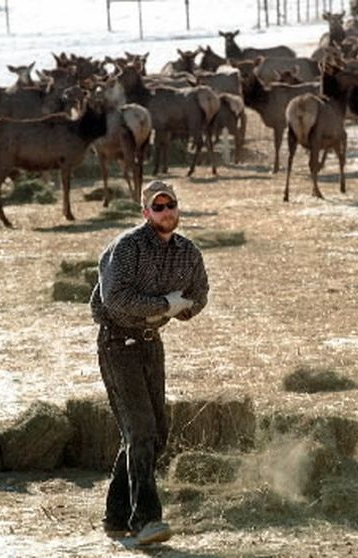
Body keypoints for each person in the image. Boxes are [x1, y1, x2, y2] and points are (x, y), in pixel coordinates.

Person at [89, 179, 209, 545]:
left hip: (151, 344)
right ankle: (147, 521)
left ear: (177, 208)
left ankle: (115, 516)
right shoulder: (127, 248)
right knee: (140, 431)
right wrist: (163, 306)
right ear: (145, 213)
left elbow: (199, 292)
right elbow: (114, 299)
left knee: (153, 435)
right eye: (157, 207)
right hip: (117, 343)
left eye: (169, 205)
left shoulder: (188, 252)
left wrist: (184, 309)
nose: (165, 212)